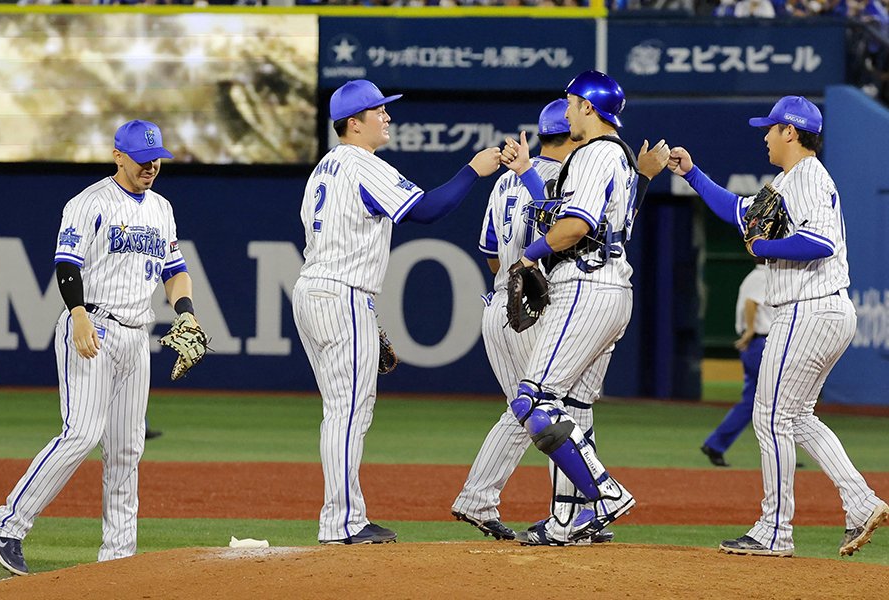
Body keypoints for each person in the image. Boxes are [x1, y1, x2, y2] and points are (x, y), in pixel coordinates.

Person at [668, 96, 888, 557]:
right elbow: (737, 210)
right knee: (797, 417)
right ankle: (861, 502)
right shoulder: (788, 181)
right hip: (824, 310)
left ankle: (774, 530)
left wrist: (765, 246)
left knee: (769, 416)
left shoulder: (807, 176)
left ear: (790, 131)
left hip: (807, 310)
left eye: (770, 128)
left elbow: (820, 242)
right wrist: (692, 173)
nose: (764, 136)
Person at [452, 99, 670, 545]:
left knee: (533, 408)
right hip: (545, 300)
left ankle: (520, 507)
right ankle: (591, 500)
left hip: (503, 300)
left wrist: (515, 268)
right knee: (544, 404)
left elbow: (492, 254)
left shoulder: (507, 182)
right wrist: (643, 178)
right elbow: (577, 227)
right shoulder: (571, 173)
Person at [292, 79, 501, 545]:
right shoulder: (361, 163)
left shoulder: (324, 167)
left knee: (341, 410)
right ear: (354, 122)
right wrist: (472, 170)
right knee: (348, 412)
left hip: (317, 291)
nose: (387, 116)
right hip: (341, 295)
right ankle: (341, 522)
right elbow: (426, 210)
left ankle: (346, 517)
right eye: (379, 110)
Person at [0, 120, 197, 576]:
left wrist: (186, 312)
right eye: (142, 159)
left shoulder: (162, 208)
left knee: (126, 448)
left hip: (136, 336)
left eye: (157, 159)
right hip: (93, 326)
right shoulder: (89, 202)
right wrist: (78, 314)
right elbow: (67, 262)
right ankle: (7, 523)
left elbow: (175, 270)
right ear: (118, 156)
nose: (151, 166)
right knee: (81, 433)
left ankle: (118, 556)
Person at [701, 258, 772, 468]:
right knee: (777, 401)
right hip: (759, 342)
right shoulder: (763, 276)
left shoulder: (756, 275)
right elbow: (751, 303)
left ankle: (716, 444)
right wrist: (750, 331)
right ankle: (779, 453)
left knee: (752, 402)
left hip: (757, 344)